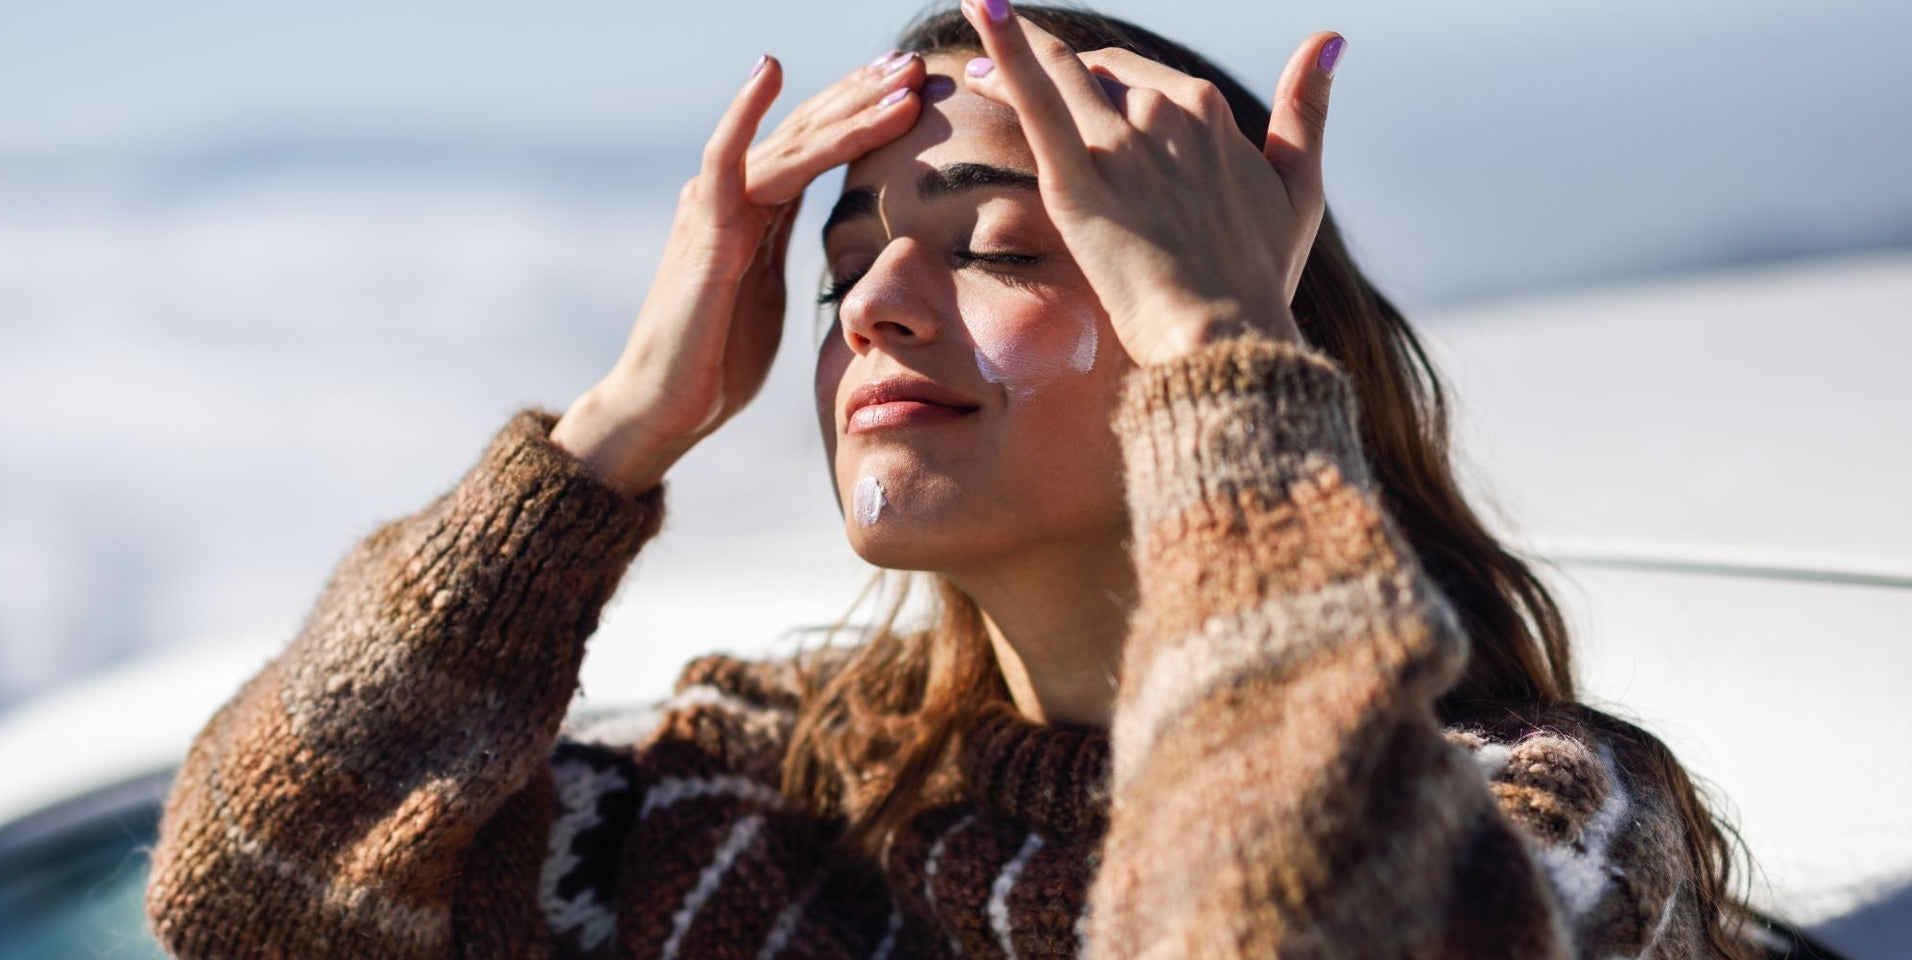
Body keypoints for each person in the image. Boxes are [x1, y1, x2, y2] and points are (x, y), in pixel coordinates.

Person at [145, 3, 1772, 957]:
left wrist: (1222, 353)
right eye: (848, 271)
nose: (879, 312)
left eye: (993, 244)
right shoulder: (749, 799)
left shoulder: (1546, 828)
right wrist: (614, 432)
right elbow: (245, 893)